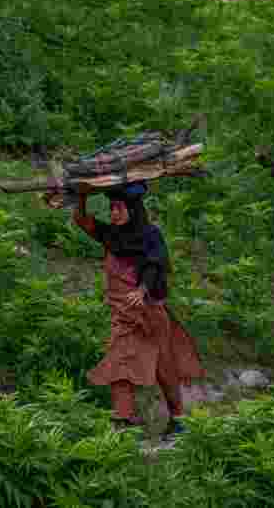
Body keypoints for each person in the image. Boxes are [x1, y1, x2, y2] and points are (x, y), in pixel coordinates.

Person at [45, 181, 205, 438]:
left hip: (150, 313)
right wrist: (83, 197)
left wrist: (142, 291)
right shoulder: (111, 235)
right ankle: (124, 421)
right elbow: (81, 220)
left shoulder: (149, 234)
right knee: (119, 362)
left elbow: (156, 264)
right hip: (123, 316)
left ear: (133, 209)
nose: (114, 213)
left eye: (119, 208)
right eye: (112, 209)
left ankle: (178, 419)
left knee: (164, 365)